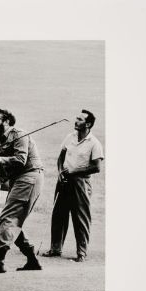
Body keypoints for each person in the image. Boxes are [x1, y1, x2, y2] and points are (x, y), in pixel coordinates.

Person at [0, 109, 44, 274]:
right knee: (13, 220)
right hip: (19, 180)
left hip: (29, 177)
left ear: (6, 121)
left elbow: (20, 160)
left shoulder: (19, 134)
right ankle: (32, 260)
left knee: (8, 218)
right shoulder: (1, 138)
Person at [42, 109, 103, 262]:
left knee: (80, 218)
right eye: (76, 118)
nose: (76, 121)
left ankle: (81, 253)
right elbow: (60, 158)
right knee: (59, 215)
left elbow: (96, 167)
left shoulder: (94, 143)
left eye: (80, 119)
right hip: (65, 180)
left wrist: (76, 170)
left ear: (88, 124)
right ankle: (55, 249)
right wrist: (60, 172)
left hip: (81, 182)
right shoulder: (70, 137)